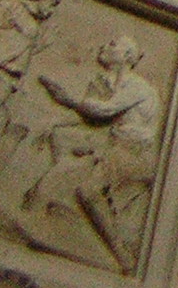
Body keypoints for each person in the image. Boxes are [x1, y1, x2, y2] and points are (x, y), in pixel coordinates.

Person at [27, 36, 161, 274]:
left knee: (88, 191)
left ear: (127, 56)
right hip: (114, 145)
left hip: (133, 153)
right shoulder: (110, 83)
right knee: (62, 140)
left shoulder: (138, 87)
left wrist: (68, 100)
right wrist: (53, 122)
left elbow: (103, 110)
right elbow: (91, 117)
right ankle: (55, 211)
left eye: (112, 44)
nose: (104, 46)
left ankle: (121, 256)